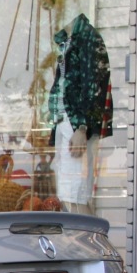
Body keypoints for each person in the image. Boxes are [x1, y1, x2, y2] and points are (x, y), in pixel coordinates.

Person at [46, 13, 112, 213]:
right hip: (66, 122)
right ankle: (77, 241)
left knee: (76, 196)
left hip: (75, 126)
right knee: (68, 194)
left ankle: (85, 242)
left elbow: (93, 85)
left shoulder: (88, 38)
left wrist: (82, 127)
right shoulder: (70, 40)